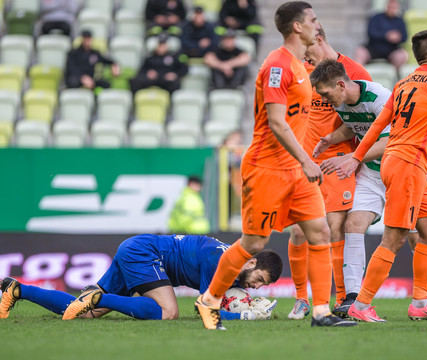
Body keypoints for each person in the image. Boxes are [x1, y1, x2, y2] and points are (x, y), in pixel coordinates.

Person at [194, 1, 357, 330]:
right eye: (311, 20)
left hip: (295, 172)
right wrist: (307, 160)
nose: (317, 25)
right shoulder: (278, 65)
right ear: (297, 26)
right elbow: (277, 123)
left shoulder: (300, 65)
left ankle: (321, 311)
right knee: (253, 243)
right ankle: (210, 300)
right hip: (268, 169)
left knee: (320, 231)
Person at [338, 29, 427, 322]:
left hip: (397, 161)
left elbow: (377, 127)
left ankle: (420, 303)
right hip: (408, 164)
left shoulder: (402, 83)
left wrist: (355, 157)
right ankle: (361, 306)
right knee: (395, 238)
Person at [310, 59, 427, 318]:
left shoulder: (379, 97)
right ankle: (352, 298)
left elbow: (394, 139)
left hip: (402, 171)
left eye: (326, 94)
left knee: (419, 237)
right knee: (353, 224)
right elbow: (354, 127)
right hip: (372, 174)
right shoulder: (341, 104)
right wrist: (330, 139)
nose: (325, 100)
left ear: (340, 84)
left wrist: (352, 158)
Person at [286, 25, 372, 320]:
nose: (304, 55)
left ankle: (340, 298)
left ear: (319, 40)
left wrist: (356, 157)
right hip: (305, 161)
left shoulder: (355, 71)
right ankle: (300, 299)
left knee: (334, 227)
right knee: (298, 230)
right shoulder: (299, 71)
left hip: (337, 160)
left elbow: (368, 118)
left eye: (307, 49)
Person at [0, 234, 282, 321]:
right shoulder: (222, 261)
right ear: (252, 262)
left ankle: (18, 290)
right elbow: (204, 309)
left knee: (88, 313)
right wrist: (243, 316)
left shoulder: (235, 266)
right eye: (259, 278)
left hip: (138, 250)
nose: (257, 286)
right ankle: (97, 296)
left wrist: (245, 299)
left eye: (262, 286)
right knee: (168, 312)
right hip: (145, 253)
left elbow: (225, 296)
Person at [354, 0, 407, 70]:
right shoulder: (376, 17)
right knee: (360, 51)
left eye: (394, 7)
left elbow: (405, 37)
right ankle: (358, 76)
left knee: (402, 55)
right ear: (386, 6)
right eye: (390, 6)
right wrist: (387, 36)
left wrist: (398, 38)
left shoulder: (400, 21)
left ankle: (398, 78)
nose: (392, 8)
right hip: (373, 49)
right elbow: (370, 32)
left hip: (391, 50)